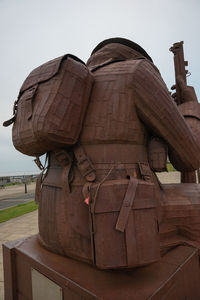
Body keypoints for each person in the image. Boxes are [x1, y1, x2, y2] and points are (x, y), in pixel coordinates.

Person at [38, 37, 200, 266]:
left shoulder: (70, 88)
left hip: (51, 226)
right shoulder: (138, 72)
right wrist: (190, 108)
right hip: (110, 227)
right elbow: (190, 158)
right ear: (143, 59)